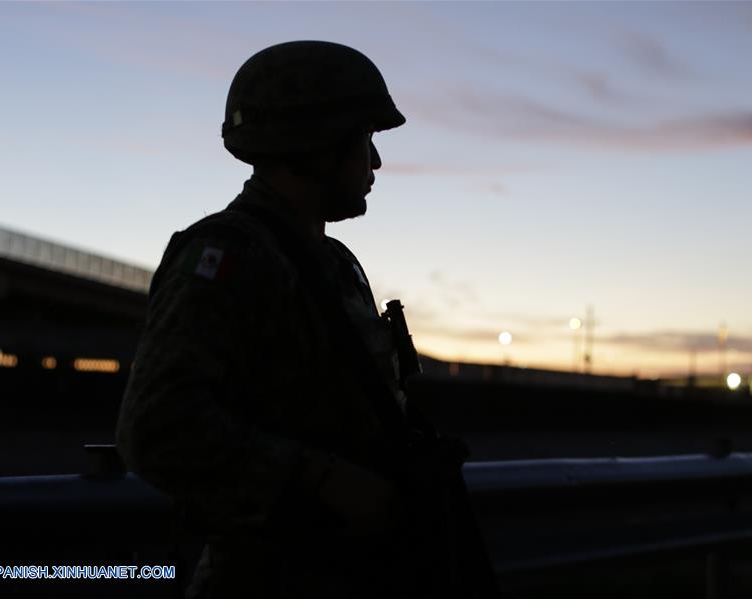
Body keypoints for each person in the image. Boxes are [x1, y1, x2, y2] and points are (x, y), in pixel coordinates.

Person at [115, 41, 499, 598]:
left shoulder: (335, 264)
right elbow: (157, 426)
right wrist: (320, 482)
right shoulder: (227, 255)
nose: (377, 162)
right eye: (365, 140)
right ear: (316, 145)